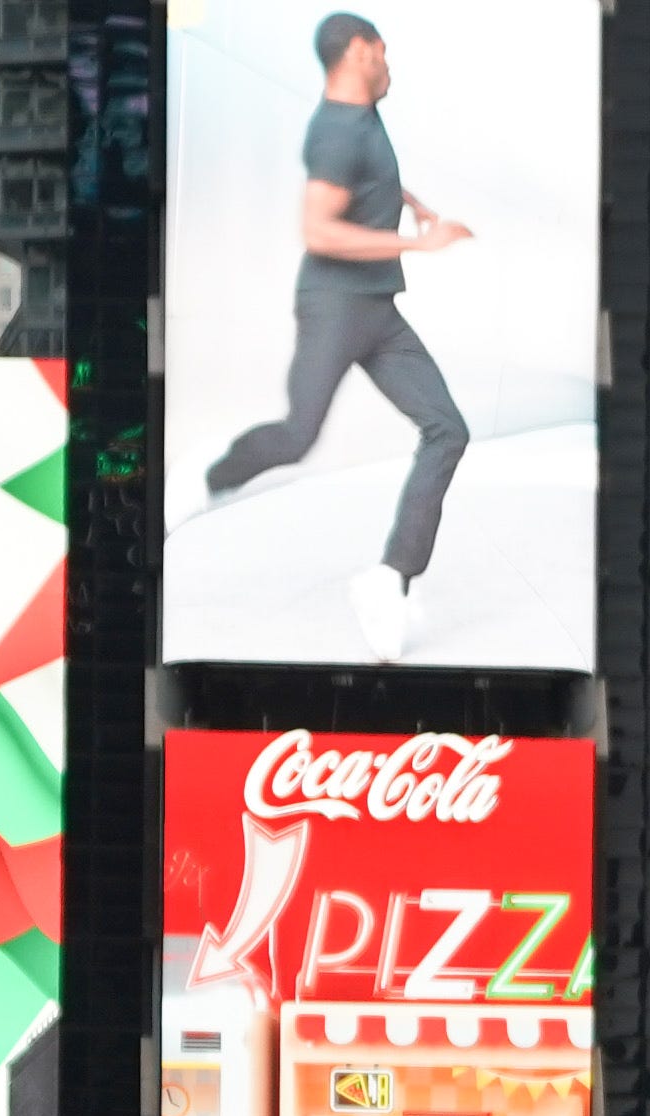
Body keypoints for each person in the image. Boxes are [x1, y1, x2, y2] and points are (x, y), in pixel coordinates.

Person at [195, 12, 476, 664]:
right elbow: (318, 231)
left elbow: (366, 175)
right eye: (383, 50)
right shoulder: (334, 130)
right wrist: (419, 241)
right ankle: (212, 477)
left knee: (447, 428)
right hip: (334, 307)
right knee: (298, 435)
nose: (389, 62)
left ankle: (389, 578)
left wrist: (411, 199)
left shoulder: (363, 118)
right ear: (357, 51)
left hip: (378, 309)